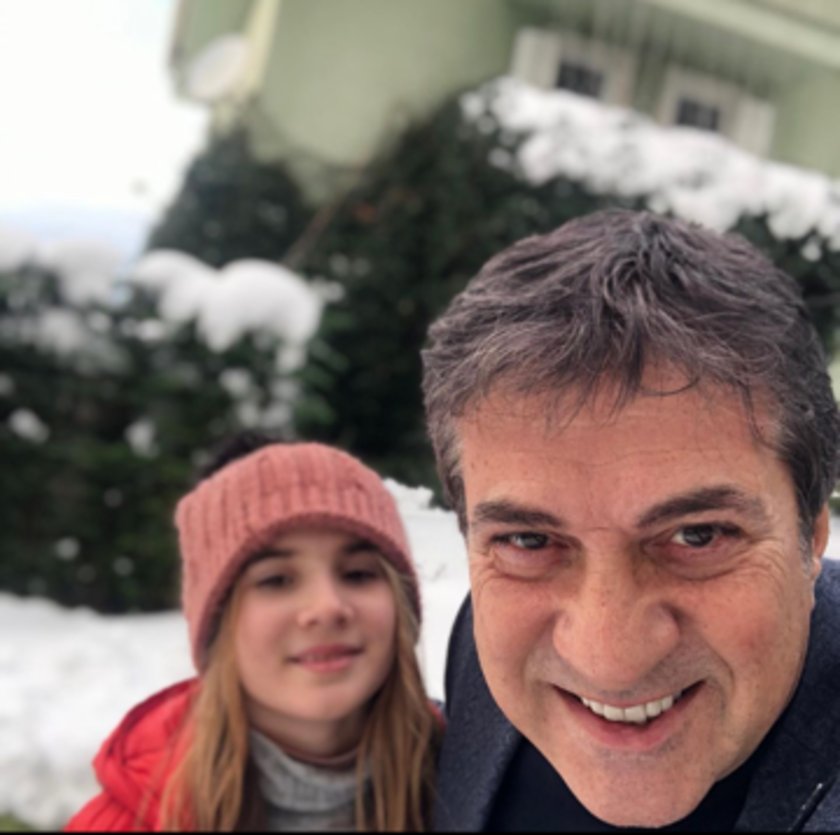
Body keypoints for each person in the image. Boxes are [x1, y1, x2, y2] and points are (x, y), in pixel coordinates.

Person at [421, 209, 840, 831]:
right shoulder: (481, 644)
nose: (609, 660)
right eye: (530, 540)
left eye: (698, 535)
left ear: (812, 534)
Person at [65, 436, 442, 831]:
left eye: (358, 573)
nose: (327, 607)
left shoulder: (471, 788)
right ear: (216, 623)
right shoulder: (121, 822)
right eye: (276, 580)